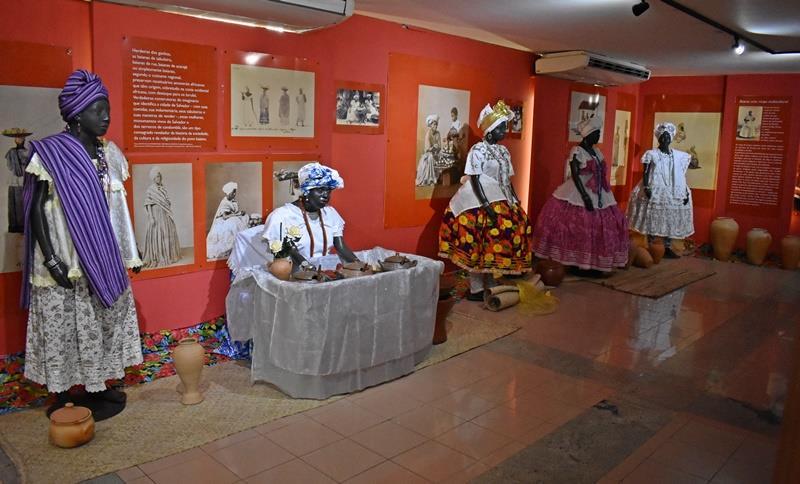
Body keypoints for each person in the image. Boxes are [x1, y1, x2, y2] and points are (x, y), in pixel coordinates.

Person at [21, 69, 143, 420]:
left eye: (107, 109)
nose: (105, 117)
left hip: (103, 256)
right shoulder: (50, 153)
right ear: (76, 113)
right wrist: (51, 260)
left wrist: (128, 252)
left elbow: (118, 209)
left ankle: (99, 385)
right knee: (66, 325)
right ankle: (64, 392)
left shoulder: (112, 154)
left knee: (100, 322)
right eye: (97, 109)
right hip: (66, 255)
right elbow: (35, 213)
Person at [438, 101, 533, 300]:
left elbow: (507, 179)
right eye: (500, 128)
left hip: (501, 196)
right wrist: (486, 205)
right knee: (478, 240)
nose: (504, 131)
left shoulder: (503, 151)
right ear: (489, 130)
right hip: (478, 200)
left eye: (504, 127)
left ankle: (490, 280)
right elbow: (475, 178)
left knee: (494, 242)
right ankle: (475, 286)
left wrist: (515, 201)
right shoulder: (477, 150)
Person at [532, 116, 629, 272]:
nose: (598, 136)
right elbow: (575, 175)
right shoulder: (578, 151)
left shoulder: (597, 151)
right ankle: (574, 260)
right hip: (579, 190)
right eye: (596, 133)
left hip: (600, 191)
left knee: (604, 222)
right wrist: (584, 196)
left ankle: (593, 261)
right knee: (575, 223)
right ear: (588, 134)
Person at [262, 162, 358, 268]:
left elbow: (340, 246)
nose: (326, 195)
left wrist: (358, 263)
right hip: (294, 276)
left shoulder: (330, 214)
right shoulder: (282, 216)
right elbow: (290, 251)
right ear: (306, 191)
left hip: (324, 272)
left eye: (328, 191)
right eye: (320, 190)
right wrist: (309, 268)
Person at [627, 122, 694, 258]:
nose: (665, 139)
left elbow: (681, 174)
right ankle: (653, 245)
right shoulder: (651, 154)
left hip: (673, 189)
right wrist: (646, 187)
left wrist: (685, 191)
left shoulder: (678, 156)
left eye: (667, 137)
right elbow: (645, 173)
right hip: (655, 187)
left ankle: (667, 247)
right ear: (658, 138)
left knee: (669, 218)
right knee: (652, 216)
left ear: (671, 138)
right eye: (662, 137)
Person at [141, 166, 181, 268]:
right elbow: (148, 204)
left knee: (167, 232)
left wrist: (167, 202)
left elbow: (167, 200)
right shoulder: (150, 189)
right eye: (157, 177)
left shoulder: (163, 188)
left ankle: (169, 255)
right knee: (157, 233)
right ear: (154, 178)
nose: (159, 178)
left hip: (164, 213)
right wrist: (151, 217)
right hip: (155, 214)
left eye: (160, 176)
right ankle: (157, 256)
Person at [206, 182, 249, 260]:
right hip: (222, 220)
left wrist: (239, 213)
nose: (235, 194)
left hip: (230, 217)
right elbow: (225, 216)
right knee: (233, 223)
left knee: (244, 217)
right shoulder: (224, 203)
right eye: (233, 192)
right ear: (229, 192)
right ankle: (232, 246)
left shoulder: (233, 201)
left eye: (235, 192)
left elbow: (233, 212)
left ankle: (241, 245)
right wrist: (238, 214)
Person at [415, 114, 441, 187]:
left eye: (436, 124)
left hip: (436, 153)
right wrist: (433, 147)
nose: (436, 126)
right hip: (428, 154)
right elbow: (427, 149)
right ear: (431, 125)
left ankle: (436, 178)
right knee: (430, 157)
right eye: (434, 124)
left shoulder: (438, 134)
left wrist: (437, 148)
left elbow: (440, 146)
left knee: (440, 157)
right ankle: (430, 179)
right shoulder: (428, 134)